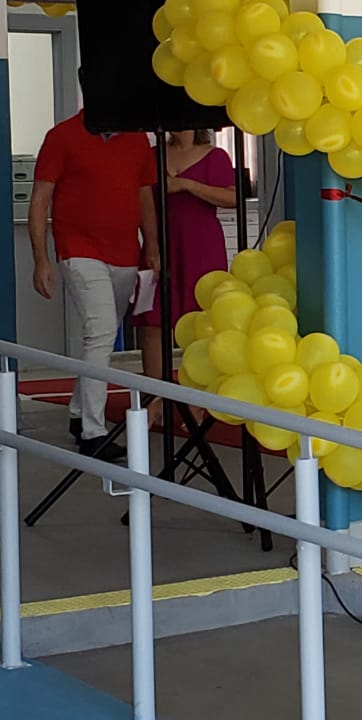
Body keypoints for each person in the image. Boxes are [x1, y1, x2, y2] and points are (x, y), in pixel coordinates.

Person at [30, 88, 160, 461]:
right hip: (79, 249)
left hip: (125, 253)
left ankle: (77, 412)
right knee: (101, 332)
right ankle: (93, 431)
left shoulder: (138, 140)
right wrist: (41, 260)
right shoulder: (62, 136)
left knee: (100, 334)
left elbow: (144, 197)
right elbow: (41, 199)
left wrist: (151, 246)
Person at [134, 129, 236, 427]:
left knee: (200, 323)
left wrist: (187, 185)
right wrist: (151, 244)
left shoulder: (215, 156)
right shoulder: (152, 156)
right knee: (152, 322)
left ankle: (197, 400)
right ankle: (154, 400)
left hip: (201, 246)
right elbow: (141, 200)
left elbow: (232, 197)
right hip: (159, 244)